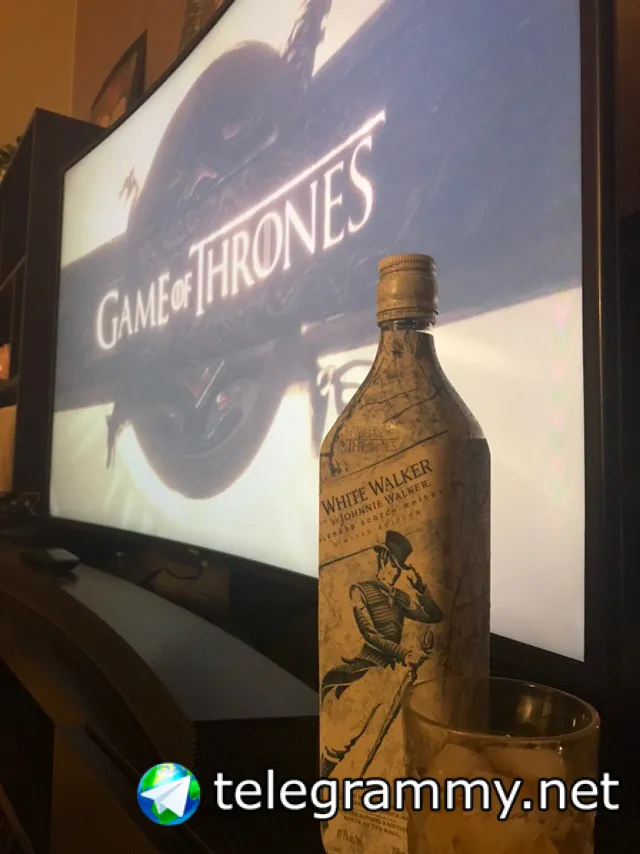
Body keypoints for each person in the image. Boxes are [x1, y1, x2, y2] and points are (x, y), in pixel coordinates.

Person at [320, 530, 443, 778]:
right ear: (382, 559)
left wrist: (420, 588)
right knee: (344, 737)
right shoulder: (360, 591)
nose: (395, 573)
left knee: (392, 745)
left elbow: (434, 616)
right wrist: (404, 653)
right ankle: (323, 784)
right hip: (367, 670)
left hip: (395, 674)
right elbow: (370, 634)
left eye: (399, 568)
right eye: (392, 565)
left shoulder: (401, 598)